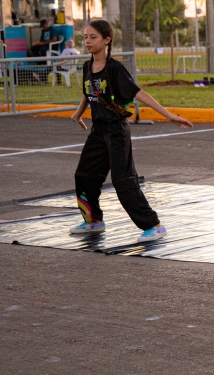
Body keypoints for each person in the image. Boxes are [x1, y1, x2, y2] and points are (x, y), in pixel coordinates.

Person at [69, 19, 193, 242]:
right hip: (98, 131)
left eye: (93, 37)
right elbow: (90, 93)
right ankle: (93, 221)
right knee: (84, 175)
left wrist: (169, 115)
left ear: (107, 40)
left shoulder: (115, 69)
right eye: (85, 37)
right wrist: (78, 114)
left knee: (123, 180)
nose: (87, 41)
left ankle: (154, 226)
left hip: (116, 131)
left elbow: (139, 93)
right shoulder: (88, 66)